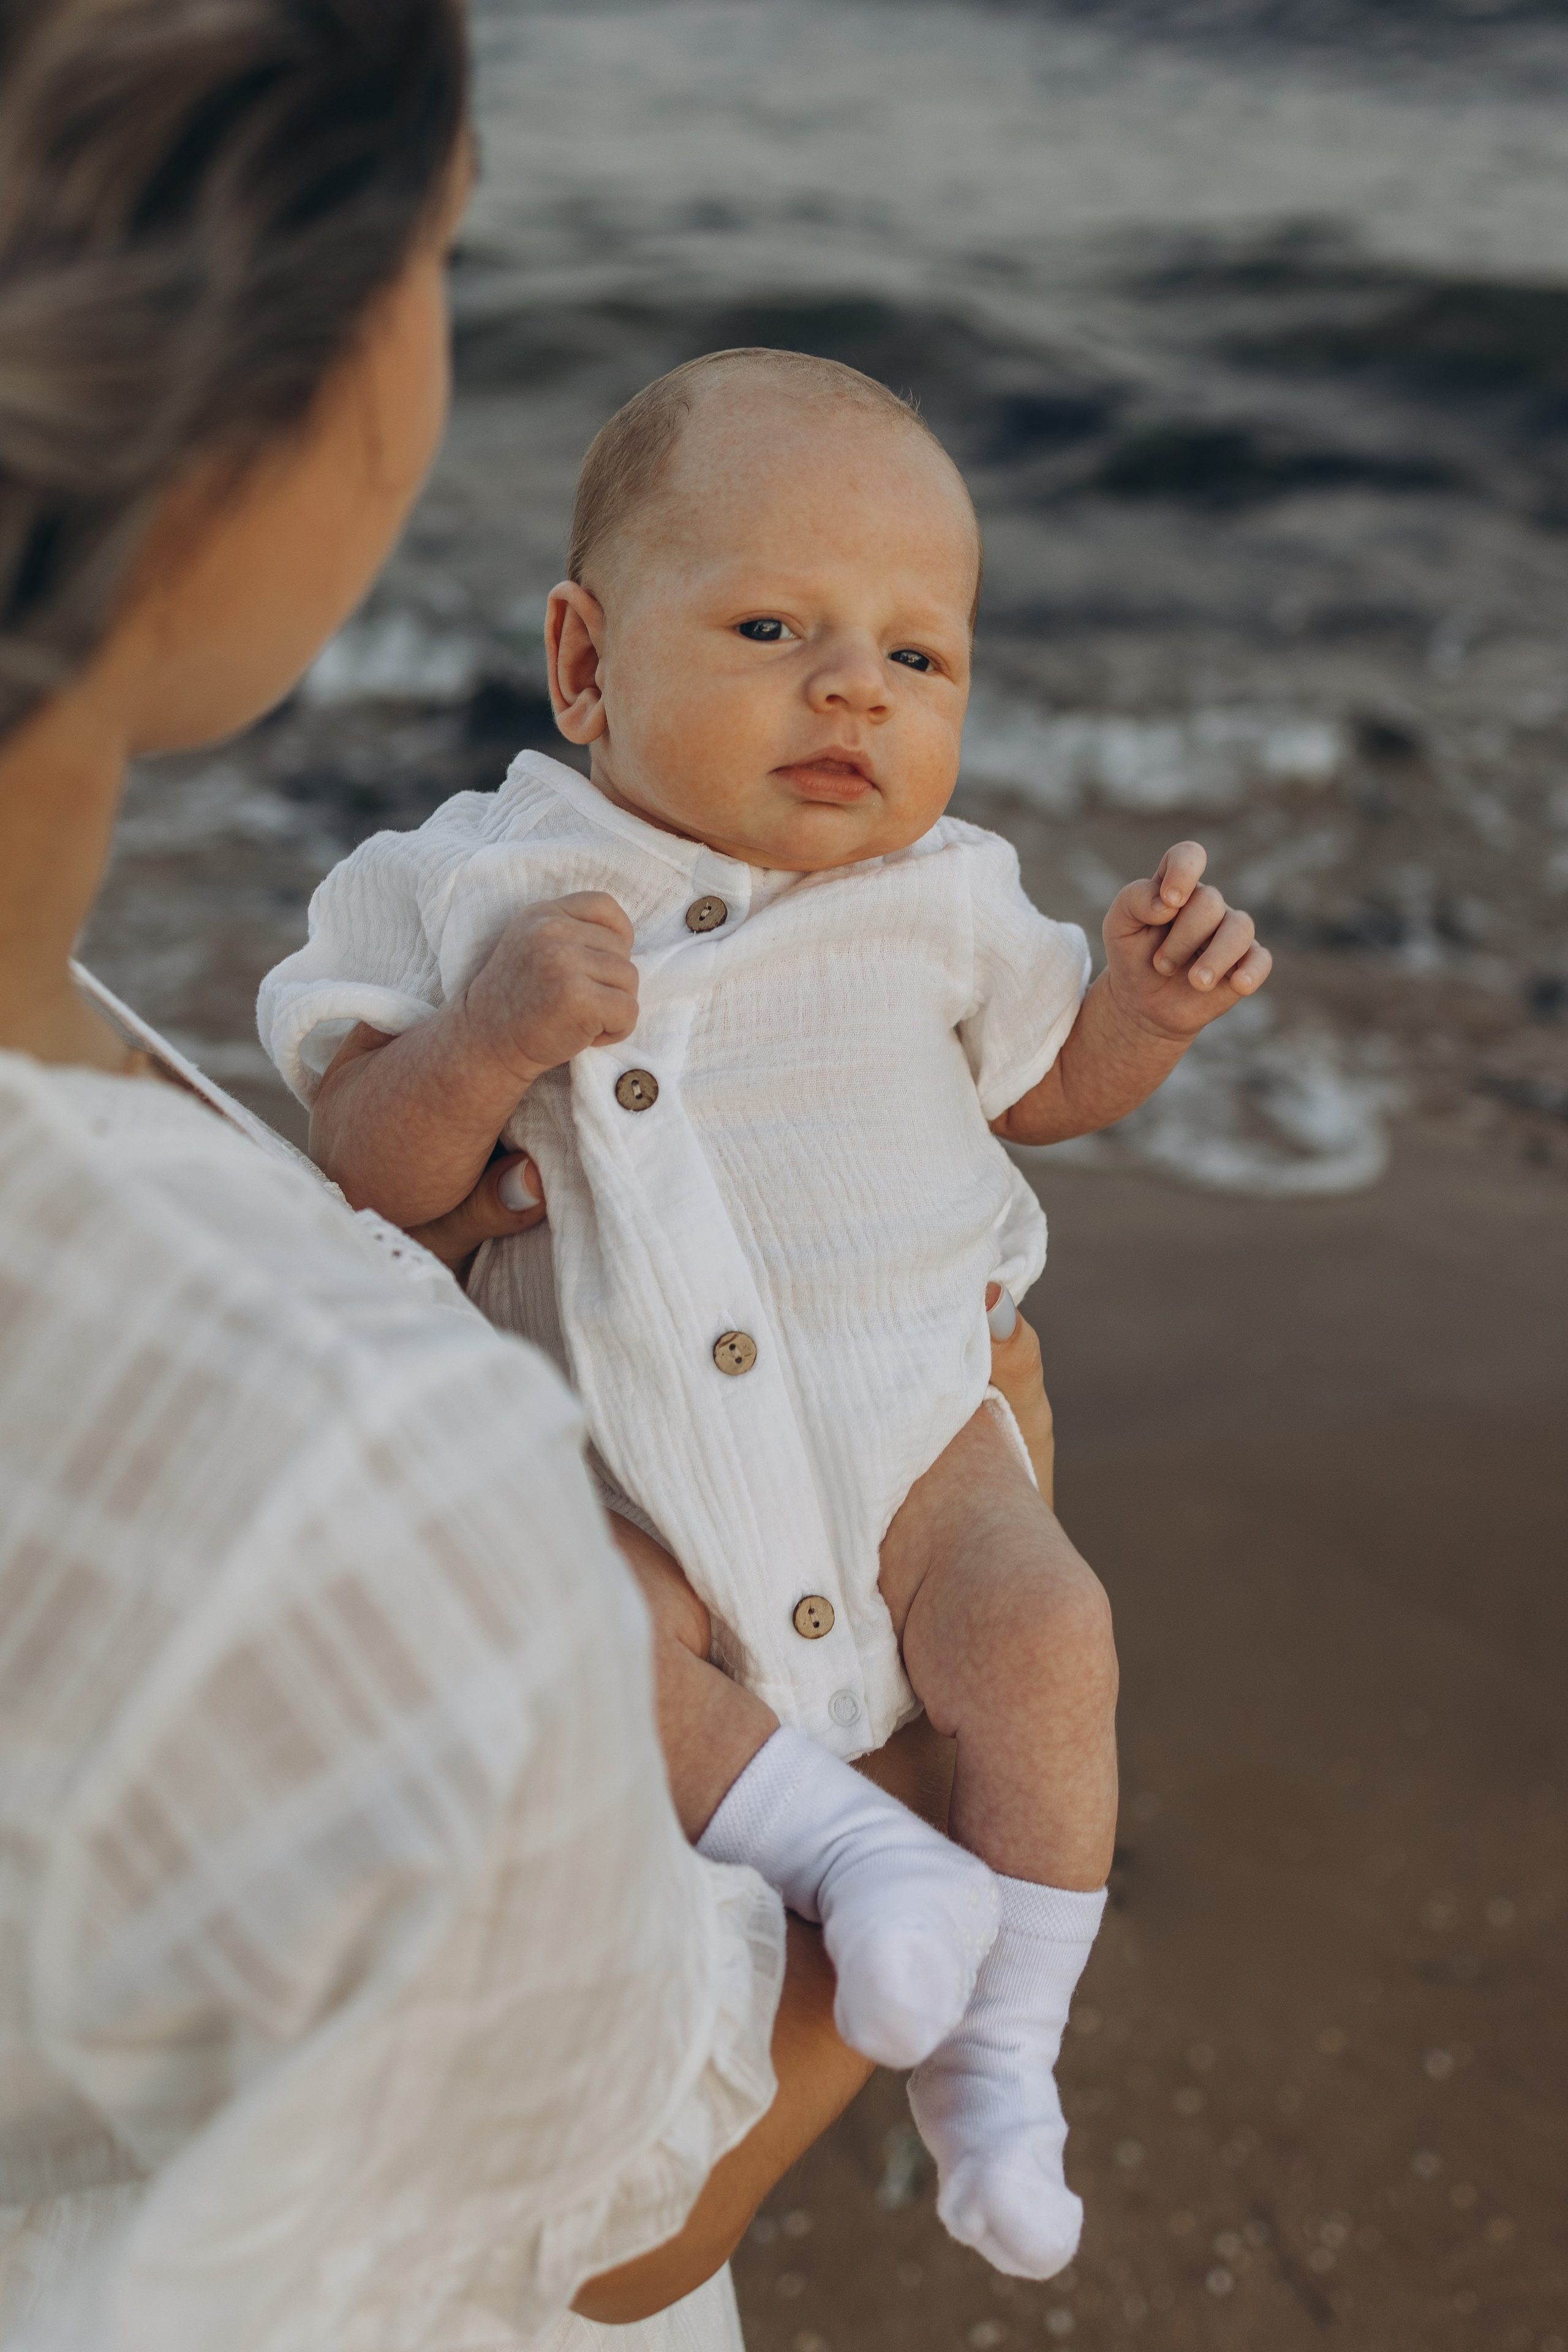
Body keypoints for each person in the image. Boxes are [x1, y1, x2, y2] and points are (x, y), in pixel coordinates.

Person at [0, 13, 957, 2347]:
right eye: (439, 253)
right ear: (257, 402)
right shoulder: (361, 1488)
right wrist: (940, 1716)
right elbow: (616, 2216)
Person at [256, 350, 1273, 2280]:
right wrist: (481, 1043)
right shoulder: (467, 882)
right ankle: (850, 1848)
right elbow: (368, 1166)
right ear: (585, 665)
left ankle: (1003, 2065)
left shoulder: (953, 898)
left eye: (919, 657)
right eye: (773, 629)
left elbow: (1044, 1087)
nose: (856, 690)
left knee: (1050, 1639)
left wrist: (1142, 1015)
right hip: (612, 1461)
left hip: (915, 1439)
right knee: (575, 1632)